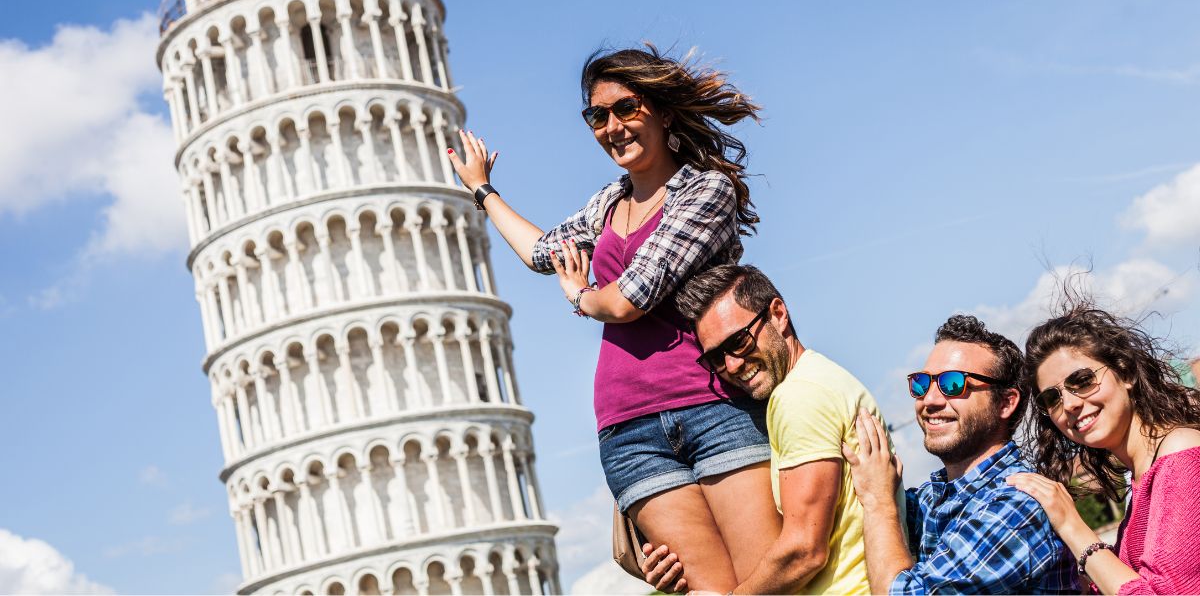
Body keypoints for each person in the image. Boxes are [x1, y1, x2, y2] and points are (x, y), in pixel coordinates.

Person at [448, 45, 780, 592]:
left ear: (663, 110)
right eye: (597, 116)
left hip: (711, 404)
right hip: (627, 427)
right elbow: (541, 254)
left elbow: (630, 298)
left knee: (767, 581)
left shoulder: (705, 192)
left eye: (626, 108)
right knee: (710, 591)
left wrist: (581, 296)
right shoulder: (605, 205)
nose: (612, 126)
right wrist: (484, 192)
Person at [642, 264, 899, 594]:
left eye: (738, 341)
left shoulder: (798, 397)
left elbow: (804, 552)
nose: (732, 364)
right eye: (716, 358)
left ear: (778, 314)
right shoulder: (823, 380)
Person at [843, 315, 1078, 594]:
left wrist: (879, 503)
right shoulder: (930, 498)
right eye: (921, 383)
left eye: (952, 384)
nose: (929, 400)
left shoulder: (1018, 504)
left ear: (1005, 402)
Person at [1007, 303, 1200, 594]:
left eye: (1082, 381)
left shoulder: (1180, 453)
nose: (1070, 404)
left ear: (1125, 373)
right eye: (1052, 398)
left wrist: (1070, 523)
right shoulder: (1142, 474)